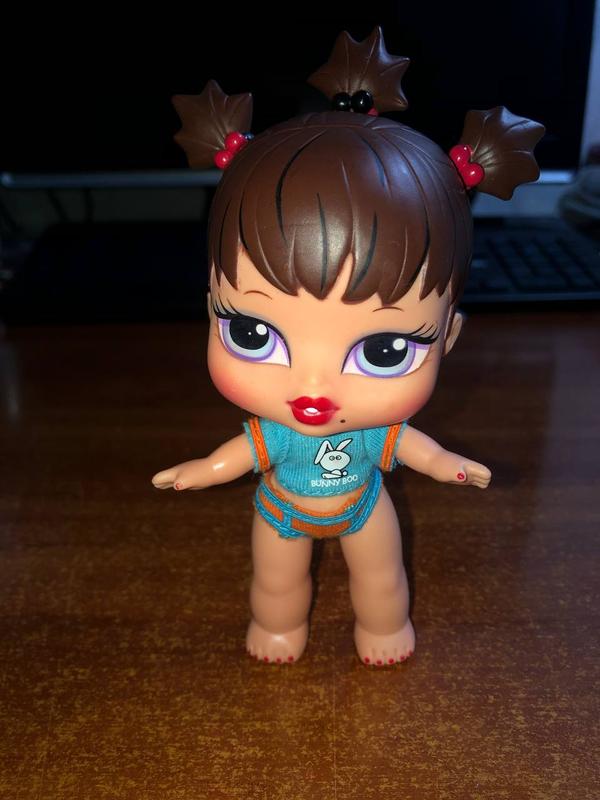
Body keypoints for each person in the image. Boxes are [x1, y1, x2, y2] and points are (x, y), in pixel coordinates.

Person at [152, 27, 544, 667]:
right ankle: (278, 627)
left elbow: (415, 449)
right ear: (210, 311)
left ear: (448, 337)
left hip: (363, 507)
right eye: (252, 334)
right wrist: (199, 471)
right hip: (281, 509)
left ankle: (384, 628)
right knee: (276, 585)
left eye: (385, 351)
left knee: (382, 580)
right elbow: (236, 457)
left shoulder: (374, 431)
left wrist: (447, 464)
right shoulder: (278, 433)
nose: (313, 388)